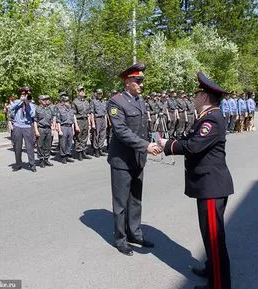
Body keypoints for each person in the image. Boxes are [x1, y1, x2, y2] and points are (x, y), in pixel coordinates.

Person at [159, 72, 234, 289]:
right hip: (207, 185)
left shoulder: (212, 118)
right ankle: (211, 268)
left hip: (211, 186)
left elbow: (193, 146)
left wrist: (166, 146)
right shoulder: (205, 117)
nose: (195, 96)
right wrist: (168, 142)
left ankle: (218, 285)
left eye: (198, 93)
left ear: (205, 97)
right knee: (209, 235)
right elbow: (189, 139)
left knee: (214, 238)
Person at [107, 62, 161, 256]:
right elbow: (121, 131)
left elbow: (142, 127)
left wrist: (154, 140)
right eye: (138, 80)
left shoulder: (140, 100)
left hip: (138, 158)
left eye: (141, 80)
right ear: (127, 81)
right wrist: (146, 146)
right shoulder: (116, 102)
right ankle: (121, 239)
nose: (141, 84)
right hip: (122, 160)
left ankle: (135, 233)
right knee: (121, 203)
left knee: (136, 199)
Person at [9, 86, 37, 172]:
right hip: (17, 126)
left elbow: (32, 115)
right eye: (24, 94)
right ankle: (18, 164)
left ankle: (32, 164)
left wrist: (27, 104)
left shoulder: (31, 104)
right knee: (17, 147)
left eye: (27, 94)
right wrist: (21, 101)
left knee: (30, 146)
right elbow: (11, 108)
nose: (25, 96)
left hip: (27, 127)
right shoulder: (17, 102)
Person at [56, 92, 78, 164]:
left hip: (70, 127)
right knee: (63, 143)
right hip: (63, 127)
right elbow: (58, 121)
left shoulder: (71, 110)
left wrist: (73, 129)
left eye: (68, 101)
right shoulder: (60, 109)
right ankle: (63, 156)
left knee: (69, 142)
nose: (67, 103)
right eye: (66, 101)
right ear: (63, 102)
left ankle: (67, 155)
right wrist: (59, 130)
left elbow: (72, 120)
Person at [34, 95, 56, 167]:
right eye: (43, 100)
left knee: (48, 145)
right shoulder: (37, 109)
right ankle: (41, 160)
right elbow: (35, 121)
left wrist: (53, 129)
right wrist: (36, 131)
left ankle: (46, 159)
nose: (45, 101)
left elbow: (52, 120)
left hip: (48, 128)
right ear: (39, 101)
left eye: (46, 99)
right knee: (40, 145)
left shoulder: (49, 109)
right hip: (41, 128)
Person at [72, 86, 92, 161]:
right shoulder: (75, 101)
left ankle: (84, 152)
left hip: (85, 120)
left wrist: (89, 123)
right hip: (79, 120)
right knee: (78, 137)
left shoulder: (86, 101)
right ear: (78, 92)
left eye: (83, 90)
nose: (82, 92)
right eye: (80, 91)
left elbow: (89, 113)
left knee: (85, 136)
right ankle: (79, 153)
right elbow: (73, 114)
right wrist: (76, 125)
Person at [90, 89, 107, 157]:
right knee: (96, 135)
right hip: (97, 119)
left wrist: (105, 121)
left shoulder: (104, 102)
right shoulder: (93, 102)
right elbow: (91, 113)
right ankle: (96, 149)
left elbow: (105, 113)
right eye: (98, 93)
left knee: (103, 135)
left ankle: (100, 148)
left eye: (101, 93)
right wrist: (93, 123)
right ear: (96, 94)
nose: (100, 95)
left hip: (103, 119)